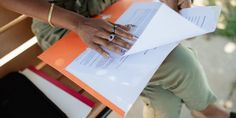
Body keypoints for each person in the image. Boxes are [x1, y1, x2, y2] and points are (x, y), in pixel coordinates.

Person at [0, 0, 233, 118]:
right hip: (66, 29)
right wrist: (78, 23)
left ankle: (205, 111)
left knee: (162, 89)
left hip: (113, 10)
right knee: (179, 64)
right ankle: (208, 110)